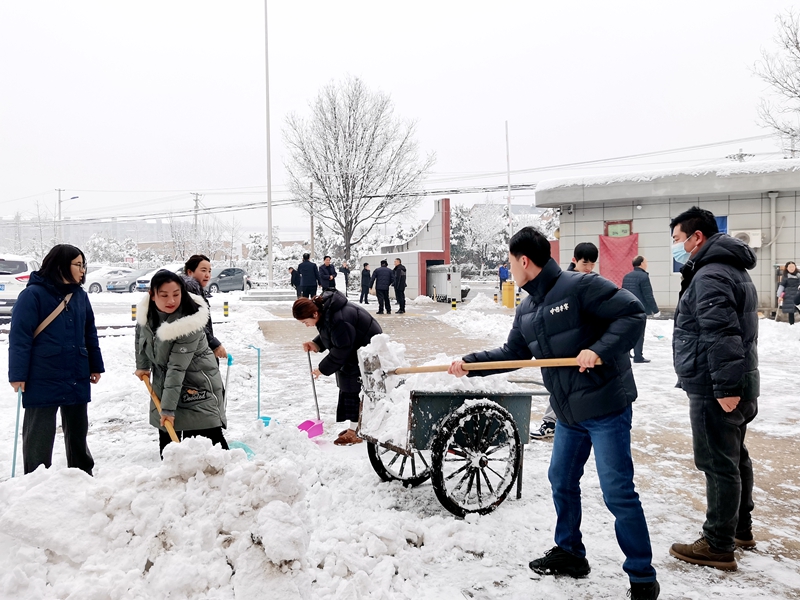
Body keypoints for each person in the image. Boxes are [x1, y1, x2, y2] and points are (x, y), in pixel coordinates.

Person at [448, 227, 659, 600]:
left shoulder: (578, 286)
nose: (509, 267)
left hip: (606, 405)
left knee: (618, 492)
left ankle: (642, 576)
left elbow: (631, 313)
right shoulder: (527, 308)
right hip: (568, 412)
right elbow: (514, 354)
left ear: (524, 261)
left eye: (510, 261)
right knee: (561, 479)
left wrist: (598, 350)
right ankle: (570, 552)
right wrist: (470, 364)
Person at [668, 207, 759, 572]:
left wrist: (723, 386)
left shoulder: (710, 274)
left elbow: (721, 334)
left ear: (697, 237)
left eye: (678, 240)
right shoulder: (731, 269)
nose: (677, 247)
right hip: (739, 380)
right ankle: (740, 529)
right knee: (735, 456)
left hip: (715, 384)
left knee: (718, 462)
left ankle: (718, 544)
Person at [8, 244, 104, 476]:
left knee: (78, 429)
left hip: (76, 370)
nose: (83, 270)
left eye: (83, 265)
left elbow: (89, 331)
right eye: (78, 265)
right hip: (42, 373)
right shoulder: (32, 295)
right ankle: (36, 479)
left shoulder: (80, 296)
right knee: (39, 432)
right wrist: (18, 375)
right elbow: (20, 337)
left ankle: (82, 473)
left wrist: (95, 364)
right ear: (61, 265)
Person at [134, 270, 228, 456]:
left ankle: (230, 479)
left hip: (196, 385)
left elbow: (176, 368)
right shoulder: (146, 315)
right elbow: (141, 338)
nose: (171, 301)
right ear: (152, 296)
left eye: (176, 294)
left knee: (207, 447)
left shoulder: (188, 323)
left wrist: (167, 409)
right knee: (170, 449)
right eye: (164, 295)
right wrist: (142, 365)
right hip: (167, 384)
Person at [293, 290, 382, 446]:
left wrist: (322, 369)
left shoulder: (338, 318)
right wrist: (316, 343)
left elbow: (342, 349)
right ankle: (356, 426)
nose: (306, 326)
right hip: (355, 348)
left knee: (351, 387)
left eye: (305, 322)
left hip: (366, 349)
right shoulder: (326, 312)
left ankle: (356, 432)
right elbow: (330, 333)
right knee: (347, 384)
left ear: (314, 314)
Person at [532, 241, 599, 440]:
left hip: (587, 347)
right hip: (565, 346)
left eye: (592, 264)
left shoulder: (595, 282)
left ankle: (580, 422)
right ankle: (550, 423)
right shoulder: (561, 283)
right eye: (585, 263)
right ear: (574, 260)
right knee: (561, 387)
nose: (588, 268)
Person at [182, 254, 227, 360]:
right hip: (194, 355)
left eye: (209, 271)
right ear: (190, 272)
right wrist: (214, 344)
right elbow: (195, 324)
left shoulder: (197, 292)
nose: (207, 275)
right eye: (203, 270)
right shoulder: (189, 293)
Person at [622, 256, 660, 363]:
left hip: (628, 308)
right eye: (646, 262)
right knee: (639, 333)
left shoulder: (626, 276)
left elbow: (623, 293)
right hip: (640, 308)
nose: (646, 264)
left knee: (628, 331)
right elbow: (648, 295)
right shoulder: (643, 277)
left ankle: (627, 353)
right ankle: (638, 356)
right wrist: (655, 310)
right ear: (642, 263)